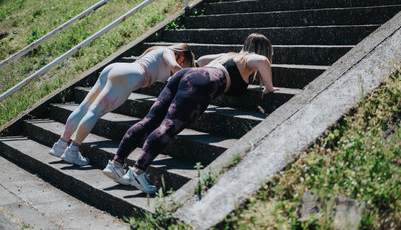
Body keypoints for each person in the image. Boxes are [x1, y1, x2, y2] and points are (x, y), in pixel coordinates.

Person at [102, 33, 279, 193]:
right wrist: (269, 87)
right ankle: (138, 171)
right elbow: (263, 61)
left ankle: (116, 164)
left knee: (151, 120)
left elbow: (201, 60)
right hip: (202, 81)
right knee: (169, 126)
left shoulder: (229, 56)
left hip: (186, 74)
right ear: (263, 50)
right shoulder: (248, 60)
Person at [49, 44, 195, 166]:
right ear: (181, 54)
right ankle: (73, 150)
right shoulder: (168, 51)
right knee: (94, 112)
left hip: (116, 68)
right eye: (183, 61)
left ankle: (60, 145)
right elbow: (175, 66)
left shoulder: (155, 52)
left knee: (84, 107)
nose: (182, 64)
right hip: (130, 75)